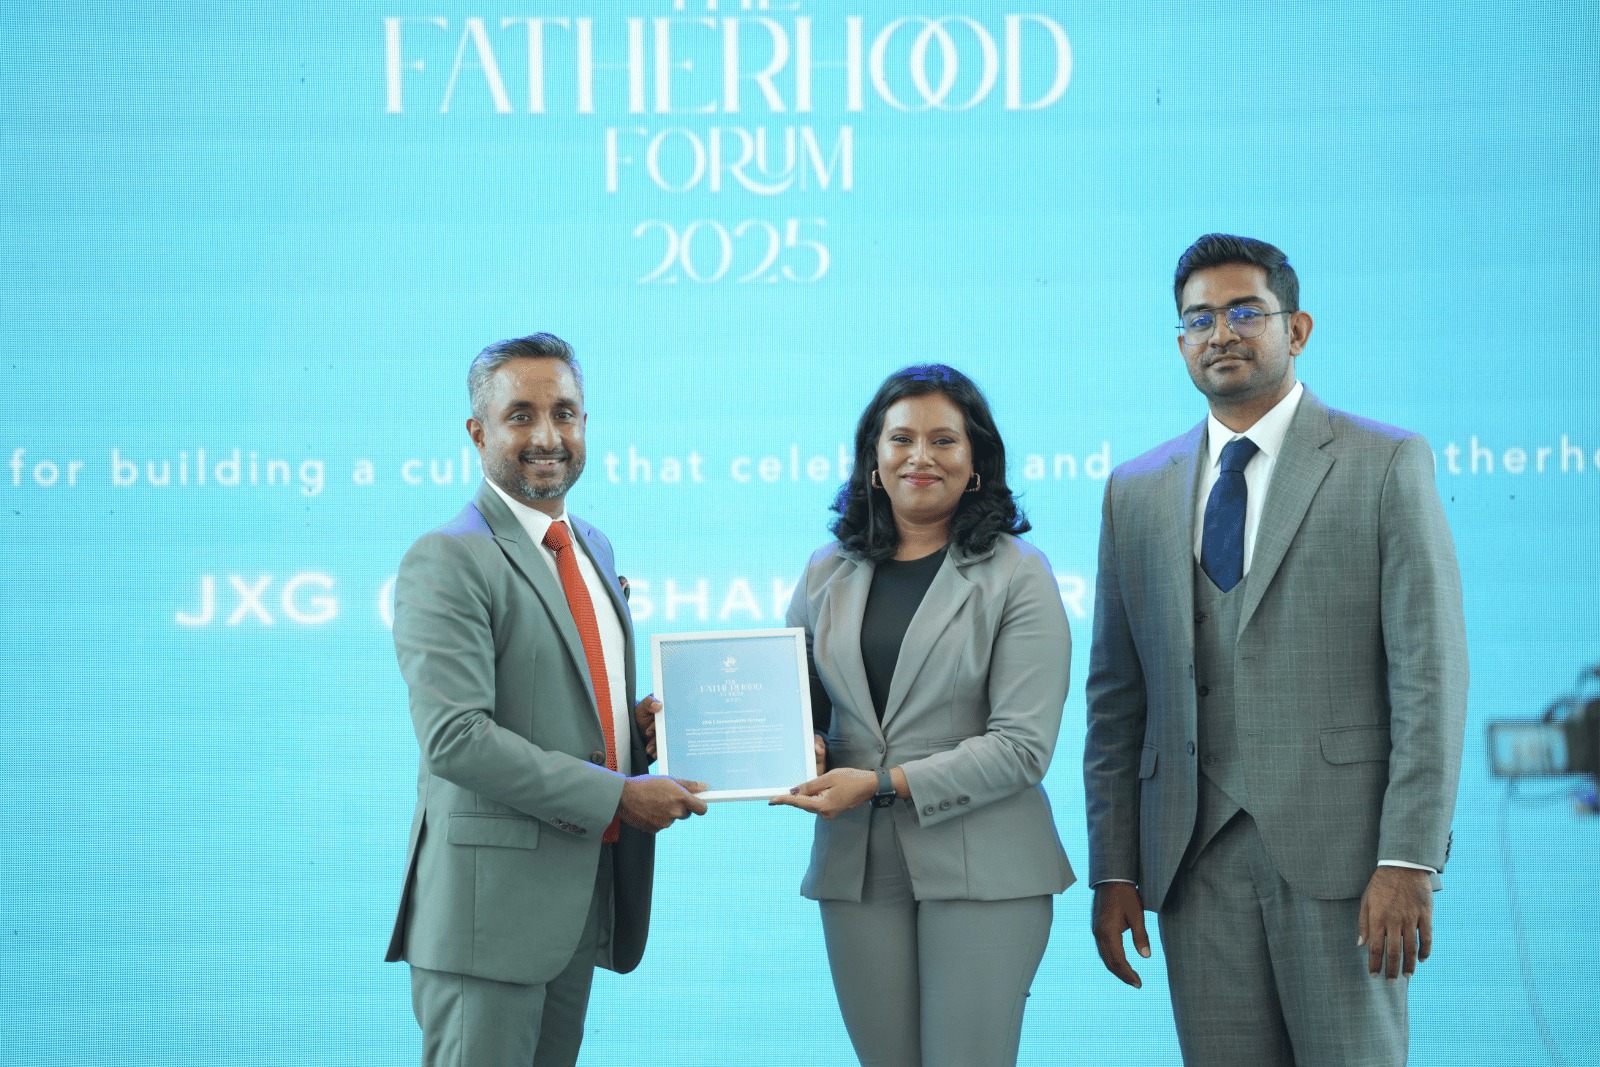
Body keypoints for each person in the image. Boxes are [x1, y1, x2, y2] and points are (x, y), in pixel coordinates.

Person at [1083, 235, 1469, 1066]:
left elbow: (1429, 676)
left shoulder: (1383, 462)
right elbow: (1116, 698)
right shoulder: (1134, 491)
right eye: (1198, 319)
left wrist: (1408, 858)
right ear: (1180, 342)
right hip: (1191, 860)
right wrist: (1114, 869)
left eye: (1244, 312)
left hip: (1347, 860)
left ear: (1297, 329)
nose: (1220, 332)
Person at [385, 333, 708, 1067]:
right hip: (487, 918)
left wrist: (636, 732)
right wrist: (618, 795)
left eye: (564, 413)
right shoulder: (448, 557)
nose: (547, 436)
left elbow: (568, 702)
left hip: (576, 901)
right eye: (520, 415)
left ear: (585, 423)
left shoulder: (591, 544)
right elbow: (456, 738)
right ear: (478, 432)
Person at [770, 364, 1074, 1067]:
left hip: (985, 864)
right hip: (857, 867)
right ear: (873, 459)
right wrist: (748, 735)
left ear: (976, 460)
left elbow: (1023, 747)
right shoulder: (825, 572)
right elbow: (794, 708)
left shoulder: (1018, 572)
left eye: (944, 440)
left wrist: (884, 783)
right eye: (901, 438)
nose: (921, 456)